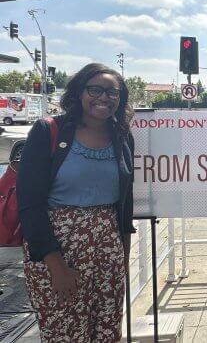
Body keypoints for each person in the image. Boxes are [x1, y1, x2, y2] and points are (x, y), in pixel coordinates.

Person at [17, 63, 135, 342]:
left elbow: (125, 199)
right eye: (95, 89)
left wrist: (123, 257)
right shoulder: (48, 131)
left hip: (108, 252)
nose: (104, 97)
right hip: (57, 249)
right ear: (79, 92)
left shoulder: (122, 136)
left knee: (107, 331)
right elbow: (29, 205)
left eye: (112, 92)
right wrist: (56, 266)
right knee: (65, 333)